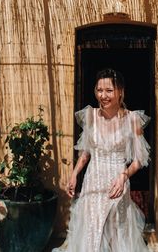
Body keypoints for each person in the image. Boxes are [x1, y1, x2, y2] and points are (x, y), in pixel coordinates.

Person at [53, 68, 151, 252]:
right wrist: (74, 175)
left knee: (115, 231)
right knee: (92, 230)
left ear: (120, 91)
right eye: (99, 90)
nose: (103, 95)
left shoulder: (132, 119)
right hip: (93, 181)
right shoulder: (90, 116)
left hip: (117, 183)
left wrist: (124, 176)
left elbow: (139, 159)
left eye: (109, 90)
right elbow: (85, 153)